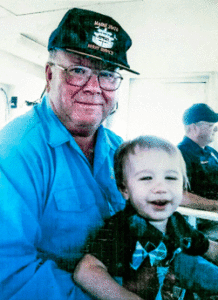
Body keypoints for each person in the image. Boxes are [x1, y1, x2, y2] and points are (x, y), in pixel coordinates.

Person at [0, 8, 139, 300]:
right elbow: (9, 275)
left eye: (108, 74)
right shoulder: (14, 152)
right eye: (78, 70)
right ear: (50, 75)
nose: (93, 88)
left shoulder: (120, 149)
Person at [74, 135, 218, 300]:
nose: (160, 188)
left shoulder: (177, 223)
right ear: (125, 190)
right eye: (146, 178)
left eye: (171, 178)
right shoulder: (123, 228)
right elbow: (85, 271)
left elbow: (208, 247)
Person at [178, 103, 218, 238]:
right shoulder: (179, 154)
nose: (215, 129)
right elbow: (180, 196)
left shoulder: (212, 153)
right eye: (211, 126)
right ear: (194, 127)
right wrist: (215, 206)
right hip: (198, 222)